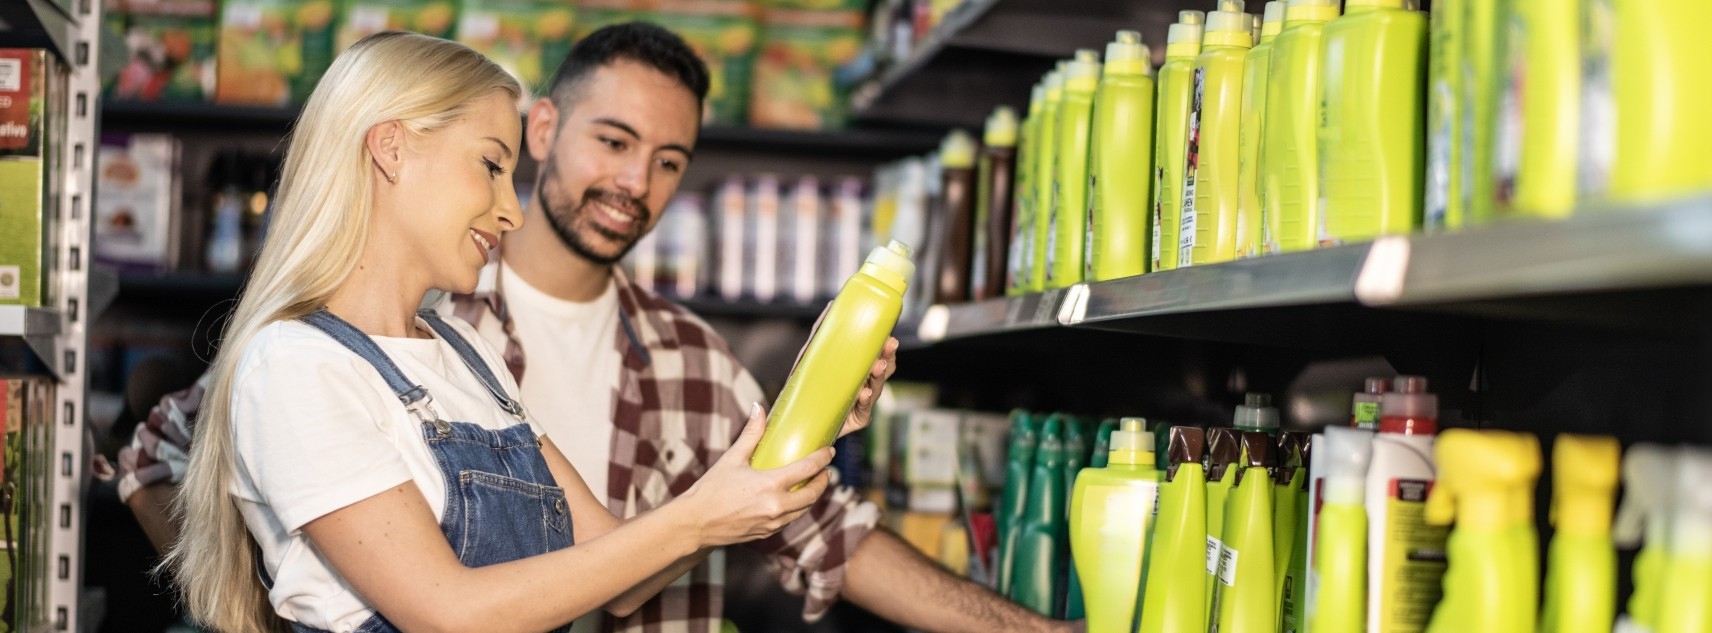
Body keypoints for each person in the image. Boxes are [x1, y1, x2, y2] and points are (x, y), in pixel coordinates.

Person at [127, 23, 1075, 633]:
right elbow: (449, 613)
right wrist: (269, 587)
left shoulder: (471, 356)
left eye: (669, 160)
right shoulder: (305, 361)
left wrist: (807, 423)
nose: (636, 182)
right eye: (613, 141)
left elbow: (632, 569)